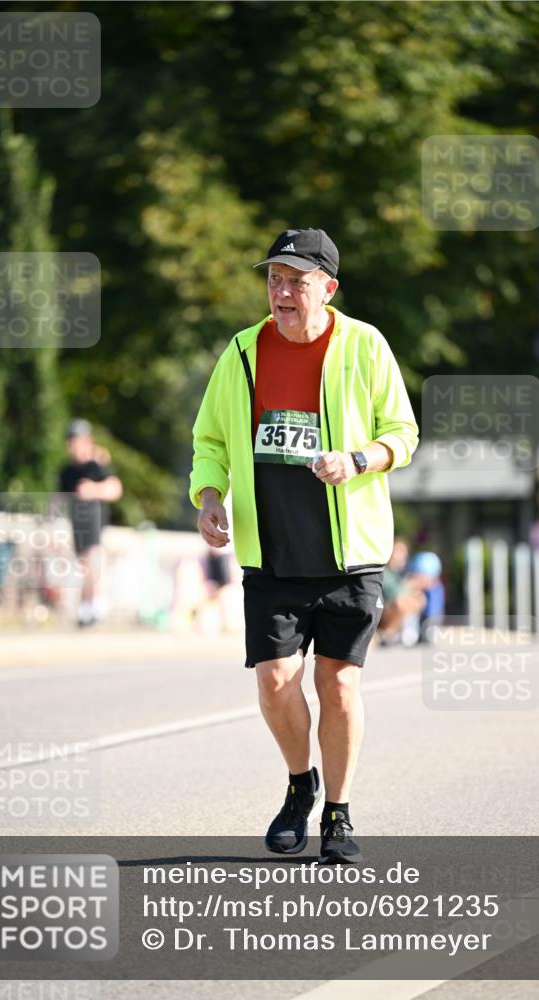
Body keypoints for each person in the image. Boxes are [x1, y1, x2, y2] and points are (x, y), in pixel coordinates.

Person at [189, 228, 418, 863]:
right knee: (274, 681)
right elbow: (210, 440)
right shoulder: (242, 352)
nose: (282, 292)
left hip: (350, 553)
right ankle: (300, 785)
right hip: (272, 552)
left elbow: (403, 432)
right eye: (274, 279)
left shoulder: (365, 346)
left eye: (297, 281)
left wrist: (358, 459)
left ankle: (338, 814)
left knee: (338, 685)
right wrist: (209, 496)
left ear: (328, 288)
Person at [58, 419, 122, 627]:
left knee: (94, 563)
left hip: (96, 524)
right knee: (84, 566)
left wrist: (94, 489)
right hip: (77, 525)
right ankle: (86, 607)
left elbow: (115, 488)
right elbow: (59, 499)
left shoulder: (96, 466)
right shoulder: (67, 471)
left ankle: (96, 605)